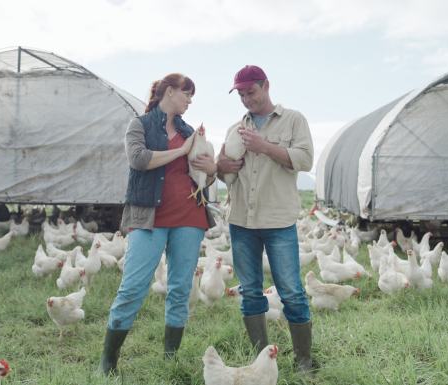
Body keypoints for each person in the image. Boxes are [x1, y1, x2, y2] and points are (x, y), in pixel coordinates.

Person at [101, 73, 217, 375]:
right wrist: (181, 150)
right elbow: (138, 160)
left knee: (180, 288)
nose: (190, 100)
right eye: (186, 94)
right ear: (169, 91)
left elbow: (201, 175)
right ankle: (108, 361)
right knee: (133, 287)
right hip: (149, 216)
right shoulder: (139, 125)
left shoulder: (189, 130)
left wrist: (210, 169)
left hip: (190, 216)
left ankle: (170, 359)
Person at [216, 65, 314, 372]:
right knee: (250, 292)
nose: (246, 99)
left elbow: (305, 159)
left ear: (266, 86)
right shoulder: (235, 128)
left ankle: (304, 360)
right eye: (241, 94)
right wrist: (222, 167)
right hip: (242, 220)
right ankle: (262, 362)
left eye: (251, 92)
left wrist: (264, 146)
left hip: (277, 220)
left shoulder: (293, 120)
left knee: (291, 292)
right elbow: (223, 169)